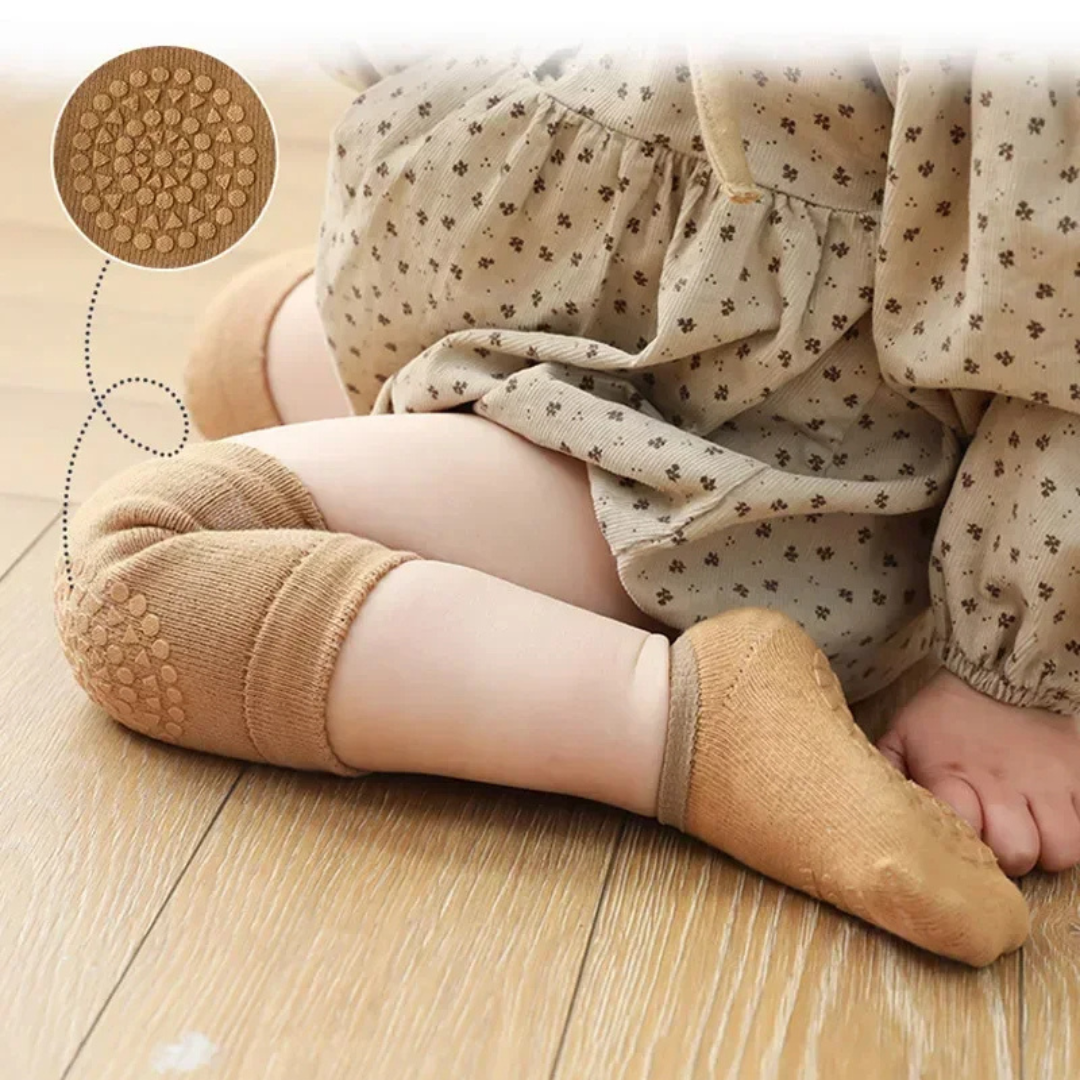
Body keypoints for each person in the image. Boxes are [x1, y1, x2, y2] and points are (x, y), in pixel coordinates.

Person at [59, 42, 1080, 966]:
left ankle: (690, 719)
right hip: (505, 289)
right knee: (229, 350)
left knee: (140, 579)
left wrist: (1011, 673)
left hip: (696, 447)